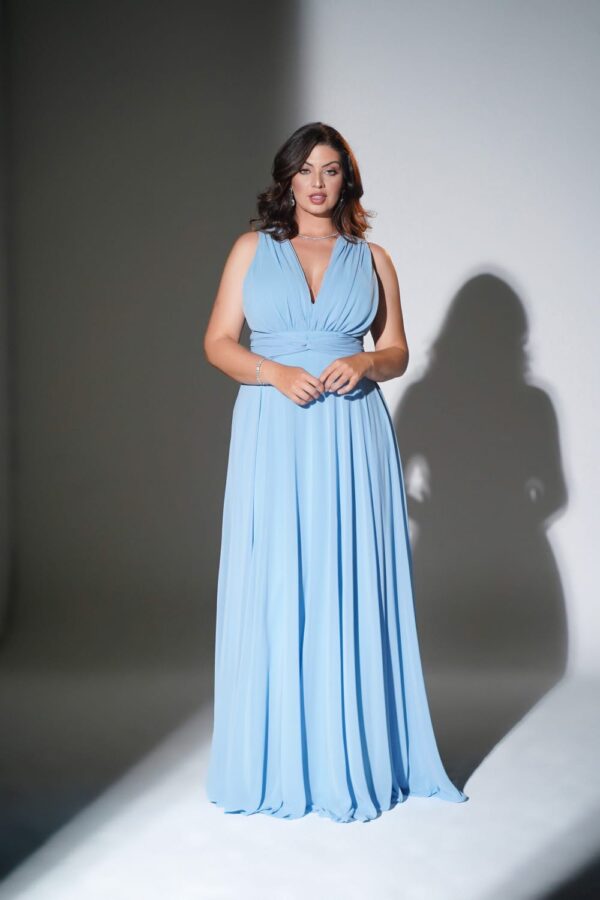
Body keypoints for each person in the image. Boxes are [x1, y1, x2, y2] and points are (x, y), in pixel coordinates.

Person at [203, 122, 468, 823]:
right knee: (277, 577)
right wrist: (272, 372)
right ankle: (278, 754)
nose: (318, 183)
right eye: (306, 170)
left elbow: (398, 351)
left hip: (352, 430)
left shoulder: (373, 258)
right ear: (286, 178)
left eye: (330, 170)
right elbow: (218, 342)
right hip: (274, 426)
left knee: (343, 576)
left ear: (346, 179)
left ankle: (352, 748)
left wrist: (366, 362)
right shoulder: (251, 250)